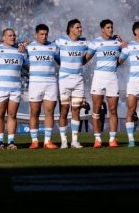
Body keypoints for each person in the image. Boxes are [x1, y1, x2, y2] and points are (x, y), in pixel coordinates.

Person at [86, 20, 125, 148]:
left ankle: (112, 139)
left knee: (113, 110)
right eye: (108, 27)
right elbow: (86, 59)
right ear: (102, 29)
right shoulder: (95, 42)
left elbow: (123, 54)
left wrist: (122, 45)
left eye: (111, 27)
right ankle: (97, 139)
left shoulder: (117, 42)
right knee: (96, 110)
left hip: (112, 78)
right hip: (98, 78)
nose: (111, 29)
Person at [0, 28, 28, 149]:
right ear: (4, 37)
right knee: (0, 115)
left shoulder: (21, 51)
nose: (13, 37)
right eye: (10, 35)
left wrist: (26, 46)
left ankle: (11, 142)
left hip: (15, 88)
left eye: (14, 35)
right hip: (0, 88)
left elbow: (28, 66)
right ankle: (0, 142)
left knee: (12, 115)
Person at [55, 19, 89, 148]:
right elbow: (49, 48)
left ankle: (75, 140)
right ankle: (64, 141)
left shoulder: (84, 41)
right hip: (64, 80)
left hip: (78, 80)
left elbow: (96, 48)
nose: (80, 29)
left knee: (76, 110)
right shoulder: (60, 41)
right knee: (64, 110)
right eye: (77, 27)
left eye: (80, 27)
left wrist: (115, 38)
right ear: (70, 29)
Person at [26, 23, 60, 149]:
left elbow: (60, 61)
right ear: (36, 34)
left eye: (46, 34)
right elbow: (23, 61)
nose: (44, 36)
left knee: (49, 112)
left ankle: (47, 141)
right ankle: (34, 141)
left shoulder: (53, 47)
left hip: (51, 82)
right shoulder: (29, 48)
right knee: (34, 112)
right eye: (41, 34)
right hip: (35, 83)